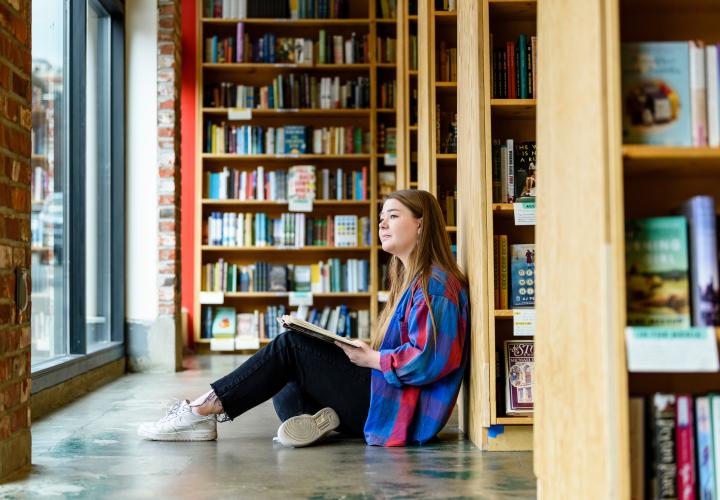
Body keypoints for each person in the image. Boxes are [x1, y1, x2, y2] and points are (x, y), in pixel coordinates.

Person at [137, 189, 470, 447]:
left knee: (291, 347)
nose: (382, 223)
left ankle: (200, 411)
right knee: (286, 372)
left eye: (393, 216)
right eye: (381, 216)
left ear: (421, 224)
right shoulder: (412, 279)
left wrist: (373, 358)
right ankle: (323, 420)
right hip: (386, 396)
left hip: (402, 412)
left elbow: (430, 360)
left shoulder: (435, 286)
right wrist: (367, 352)